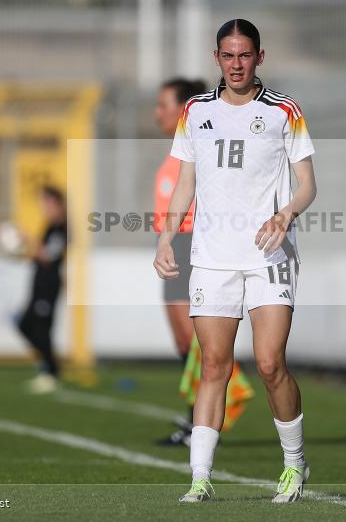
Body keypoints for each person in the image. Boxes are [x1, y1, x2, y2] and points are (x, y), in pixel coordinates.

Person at [154, 19, 317, 503]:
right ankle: (199, 478)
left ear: (259, 58)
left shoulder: (284, 111)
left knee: (269, 363)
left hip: (269, 255)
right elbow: (185, 183)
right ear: (217, 58)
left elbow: (307, 183)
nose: (237, 64)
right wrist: (166, 238)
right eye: (228, 56)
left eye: (245, 55)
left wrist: (286, 213)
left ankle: (294, 464)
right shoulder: (195, 111)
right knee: (213, 366)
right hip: (212, 258)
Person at [153, 77, 205, 446]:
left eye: (163, 105)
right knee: (183, 344)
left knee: (195, 341)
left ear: (182, 108)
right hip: (173, 245)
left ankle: (201, 424)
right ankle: (194, 419)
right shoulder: (174, 151)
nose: (158, 113)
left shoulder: (197, 147)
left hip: (191, 246)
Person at [17, 185, 68, 394]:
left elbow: (48, 255)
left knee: (41, 328)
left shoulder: (62, 228)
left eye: (47, 203)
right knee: (25, 324)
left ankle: (50, 372)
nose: (44, 208)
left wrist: (28, 240)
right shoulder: (49, 226)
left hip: (49, 284)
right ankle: (48, 366)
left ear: (57, 204)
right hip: (39, 281)